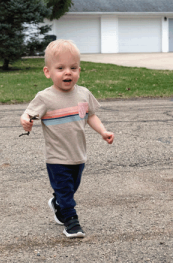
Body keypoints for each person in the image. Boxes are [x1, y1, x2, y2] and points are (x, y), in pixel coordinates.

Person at [20, 39, 114, 238]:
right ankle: (72, 223)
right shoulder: (45, 98)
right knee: (65, 191)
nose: (68, 72)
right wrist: (26, 120)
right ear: (48, 72)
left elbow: (90, 116)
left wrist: (103, 132)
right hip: (56, 157)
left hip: (78, 155)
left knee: (70, 189)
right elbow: (29, 113)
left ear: (79, 70)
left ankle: (57, 203)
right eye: (60, 68)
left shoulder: (83, 94)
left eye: (73, 67)